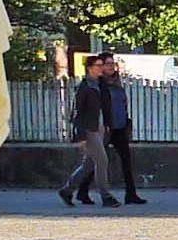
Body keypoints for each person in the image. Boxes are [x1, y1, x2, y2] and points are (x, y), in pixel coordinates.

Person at [60, 58, 113, 207]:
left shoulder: (100, 84)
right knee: (102, 161)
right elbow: (78, 112)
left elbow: (105, 107)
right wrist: (81, 135)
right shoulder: (84, 87)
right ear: (89, 68)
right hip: (89, 129)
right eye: (98, 65)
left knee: (89, 164)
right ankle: (106, 196)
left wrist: (107, 124)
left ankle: (67, 190)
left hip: (99, 127)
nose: (101, 68)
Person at [99, 54, 146, 205]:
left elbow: (122, 104)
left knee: (126, 161)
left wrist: (126, 121)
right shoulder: (99, 84)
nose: (111, 67)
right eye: (108, 64)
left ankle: (131, 194)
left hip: (119, 126)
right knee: (95, 162)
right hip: (105, 128)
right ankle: (80, 190)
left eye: (113, 63)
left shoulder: (117, 83)